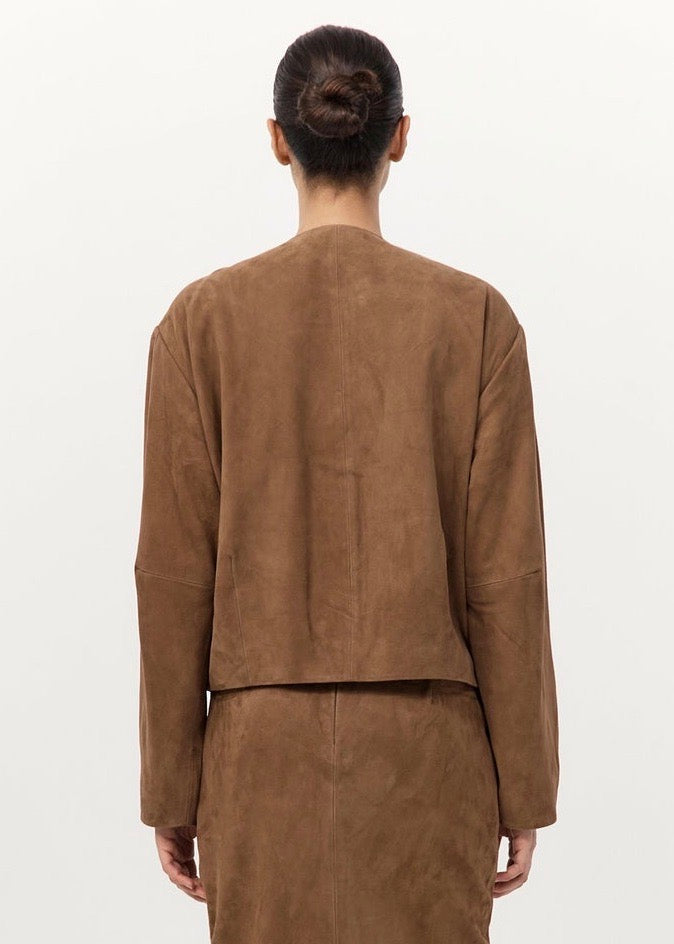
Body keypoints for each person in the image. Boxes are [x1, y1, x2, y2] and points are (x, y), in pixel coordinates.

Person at [133, 23, 559, 944]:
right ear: (398, 136)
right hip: (429, 757)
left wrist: (171, 786)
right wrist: (525, 784)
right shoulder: (476, 320)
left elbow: (172, 579)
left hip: (260, 762)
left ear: (278, 139)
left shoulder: (200, 323)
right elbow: (507, 577)